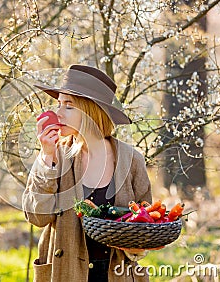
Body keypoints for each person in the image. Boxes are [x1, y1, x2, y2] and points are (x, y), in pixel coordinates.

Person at [22, 64, 152, 282]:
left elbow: (145, 227)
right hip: (67, 272)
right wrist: (47, 158)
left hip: (115, 274)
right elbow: (37, 217)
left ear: (92, 112)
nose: (58, 113)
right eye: (59, 104)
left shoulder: (132, 160)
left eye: (69, 106)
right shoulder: (54, 156)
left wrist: (136, 246)